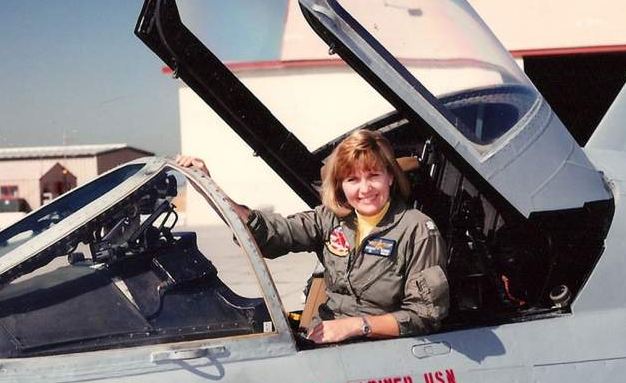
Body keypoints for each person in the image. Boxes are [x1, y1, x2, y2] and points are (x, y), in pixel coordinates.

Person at [176, 129, 448, 344]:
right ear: (341, 185)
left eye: (373, 176)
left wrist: (355, 326)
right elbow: (269, 236)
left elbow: (425, 315)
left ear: (390, 177)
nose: (364, 189)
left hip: (380, 350)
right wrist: (209, 187)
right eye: (352, 180)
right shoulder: (330, 219)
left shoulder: (418, 229)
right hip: (325, 338)